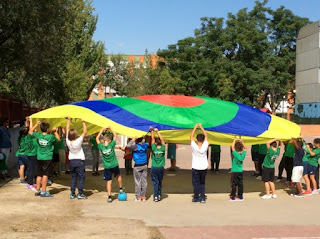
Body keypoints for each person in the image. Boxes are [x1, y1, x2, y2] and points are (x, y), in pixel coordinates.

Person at [29, 121, 60, 197]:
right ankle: (44, 191)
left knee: (39, 175)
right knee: (45, 175)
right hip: (47, 158)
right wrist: (55, 132)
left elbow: (30, 131)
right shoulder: (50, 137)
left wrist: (36, 124)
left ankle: (37, 190)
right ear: (47, 129)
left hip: (39, 157)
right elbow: (58, 140)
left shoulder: (38, 135)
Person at [96, 127, 123, 203]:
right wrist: (111, 128)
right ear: (110, 141)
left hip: (107, 167)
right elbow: (115, 136)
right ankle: (120, 188)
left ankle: (109, 196)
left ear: (104, 141)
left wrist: (101, 130)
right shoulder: (111, 145)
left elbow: (97, 139)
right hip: (114, 164)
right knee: (118, 175)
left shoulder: (101, 147)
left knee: (109, 181)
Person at [66, 117, 87, 199]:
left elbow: (67, 129)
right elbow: (85, 132)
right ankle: (80, 193)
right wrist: (83, 122)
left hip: (71, 161)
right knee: (81, 177)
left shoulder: (68, 141)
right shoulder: (78, 141)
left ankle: (72, 193)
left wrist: (68, 120)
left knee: (74, 177)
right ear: (75, 135)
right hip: (79, 161)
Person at [190, 123, 209, 203]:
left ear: (196, 140)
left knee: (196, 183)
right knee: (202, 182)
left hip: (196, 167)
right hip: (204, 167)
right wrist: (201, 127)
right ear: (203, 139)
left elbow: (191, 136)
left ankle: (196, 197)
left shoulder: (194, 146)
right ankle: (202, 197)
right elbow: (206, 136)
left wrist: (195, 127)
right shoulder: (205, 146)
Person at [127, 136, 148, 201]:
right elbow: (147, 140)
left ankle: (138, 197)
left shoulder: (135, 147)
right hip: (144, 164)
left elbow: (128, 146)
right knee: (144, 181)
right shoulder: (145, 145)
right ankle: (143, 196)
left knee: (137, 181)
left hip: (137, 165)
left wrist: (133, 139)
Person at [150, 127, 165, 202]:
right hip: (161, 167)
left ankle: (155, 196)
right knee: (159, 181)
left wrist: (152, 131)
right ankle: (159, 194)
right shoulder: (163, 149)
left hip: (154, 167)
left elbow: (152, 139)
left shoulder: (154, 148)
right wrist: (158, 132)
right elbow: (162, 140)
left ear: (156, 143)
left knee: (155, 182)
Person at [25, 118, 38, 190]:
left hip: (32, 154)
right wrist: (35, 124)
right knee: (32, 169)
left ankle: (30, 182)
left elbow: (31, 129)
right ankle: (30, 183)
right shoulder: (29, 137)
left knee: (32, 169)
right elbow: (31, 130)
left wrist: (31, 120)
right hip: (32, 155)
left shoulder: (31, 137)